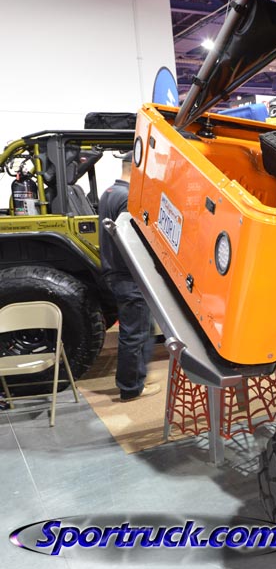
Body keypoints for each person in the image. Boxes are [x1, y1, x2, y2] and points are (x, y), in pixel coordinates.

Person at [98, 152, 160, 402]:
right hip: (128, 276)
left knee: (142, 328)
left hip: (116, 273)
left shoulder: (109, 192)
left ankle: (138, 375)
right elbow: (132, 243)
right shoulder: (127, 197)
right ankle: (131, 387)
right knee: (135, 333)